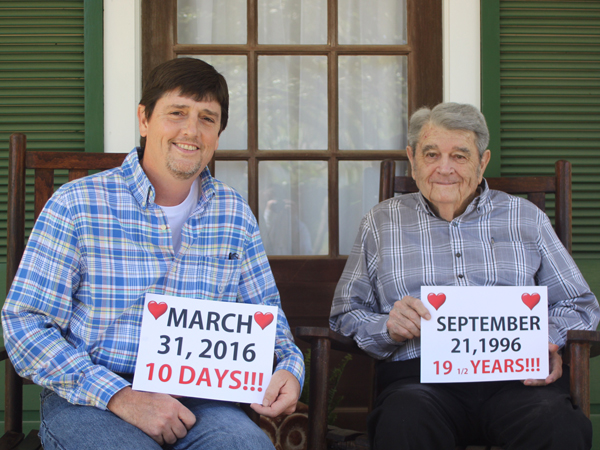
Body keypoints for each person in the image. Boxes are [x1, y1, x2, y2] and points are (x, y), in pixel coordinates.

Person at [2, 57, 304, 450]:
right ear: (144, 119)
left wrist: (289, 368)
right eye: (176, 113)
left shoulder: (233, 215)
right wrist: (120, 396)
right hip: (93, 398)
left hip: (202, 402)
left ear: (218, 132)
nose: (191, 130)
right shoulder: (77, 204)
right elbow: (24, 323)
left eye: (207, 118)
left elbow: (267, 317)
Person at [330, 102, 599, 449]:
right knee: (403, 421)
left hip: (518, 381)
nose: (445, 169)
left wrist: (544, 337)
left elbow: (580, 305)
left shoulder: (525, 218)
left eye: (459, 156)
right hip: (419, 383)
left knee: (560, 426)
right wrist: (387, 327)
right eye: (431, 155)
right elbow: (344, 315)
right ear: (412, 160)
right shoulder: (381, 223)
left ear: (482, 161)